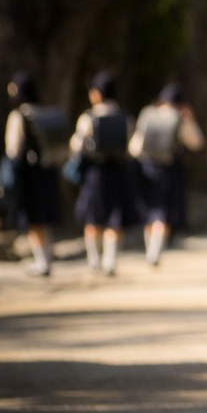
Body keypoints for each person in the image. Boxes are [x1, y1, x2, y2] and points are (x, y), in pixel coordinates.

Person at [69, 71, 137, 276]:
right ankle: (110, 260)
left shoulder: (89, 118)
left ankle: (94, 260)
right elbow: (132, 147)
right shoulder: (126, 118)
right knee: (114, 218)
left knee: (93, 217)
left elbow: (76, 145)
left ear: (97, 93)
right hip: (118, 171)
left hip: (95, 173)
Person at [128, 83, 205, 266]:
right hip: (168, 169)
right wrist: (190, 120)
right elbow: (197, 143)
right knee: (162, 213)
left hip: (145, 167)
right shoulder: (179, 118)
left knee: (149, 211)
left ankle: (149, 250)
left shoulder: (148, 114)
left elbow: (134, 146)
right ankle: (155, 251)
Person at [1, 72, 68, 276]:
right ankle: (46, 258)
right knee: (43, 217)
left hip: (27, 173)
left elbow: (13, 148)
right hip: (47, 172)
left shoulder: (19, 115)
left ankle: (42, 262)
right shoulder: (46, 113)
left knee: (33, 218)